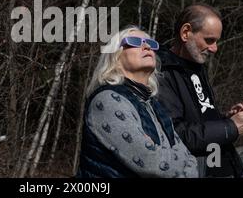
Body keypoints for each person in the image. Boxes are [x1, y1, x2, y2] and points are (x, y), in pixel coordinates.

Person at [157, 4, 243, 178]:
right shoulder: (161, 72)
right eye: (209, 40)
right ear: (185, 33)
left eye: (216, 41)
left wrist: (227, 118)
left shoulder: (198, 68)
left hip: (227, 166)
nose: (215, 48)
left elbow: (201, 119)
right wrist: (230, 127)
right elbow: (175, 134)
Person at [77, 26, 198, 178]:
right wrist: (177, 158)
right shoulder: (108, 100)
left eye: (151, 43)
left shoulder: (153, 105)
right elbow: (153, 162)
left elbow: (191, 160)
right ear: (115, 55)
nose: (147, 46)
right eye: (134, 41)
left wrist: (171, 156)